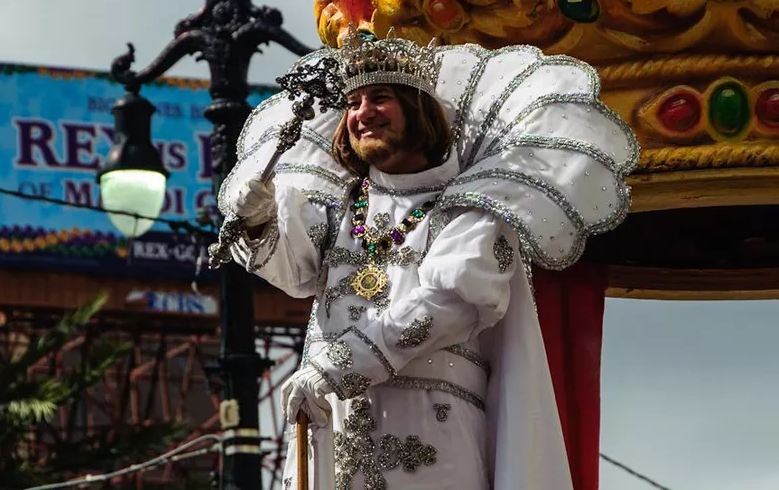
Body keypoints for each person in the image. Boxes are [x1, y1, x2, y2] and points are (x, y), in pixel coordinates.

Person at [218, 29, 639, 490]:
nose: (363, 114)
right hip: (334, 426)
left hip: (433, 435)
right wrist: (260, 219)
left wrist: (340, 363)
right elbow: (292, 270)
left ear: (418, 110)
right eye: (353, 102)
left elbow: (448, 304)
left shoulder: (473, 206)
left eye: (380, 97)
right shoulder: (336, 208)